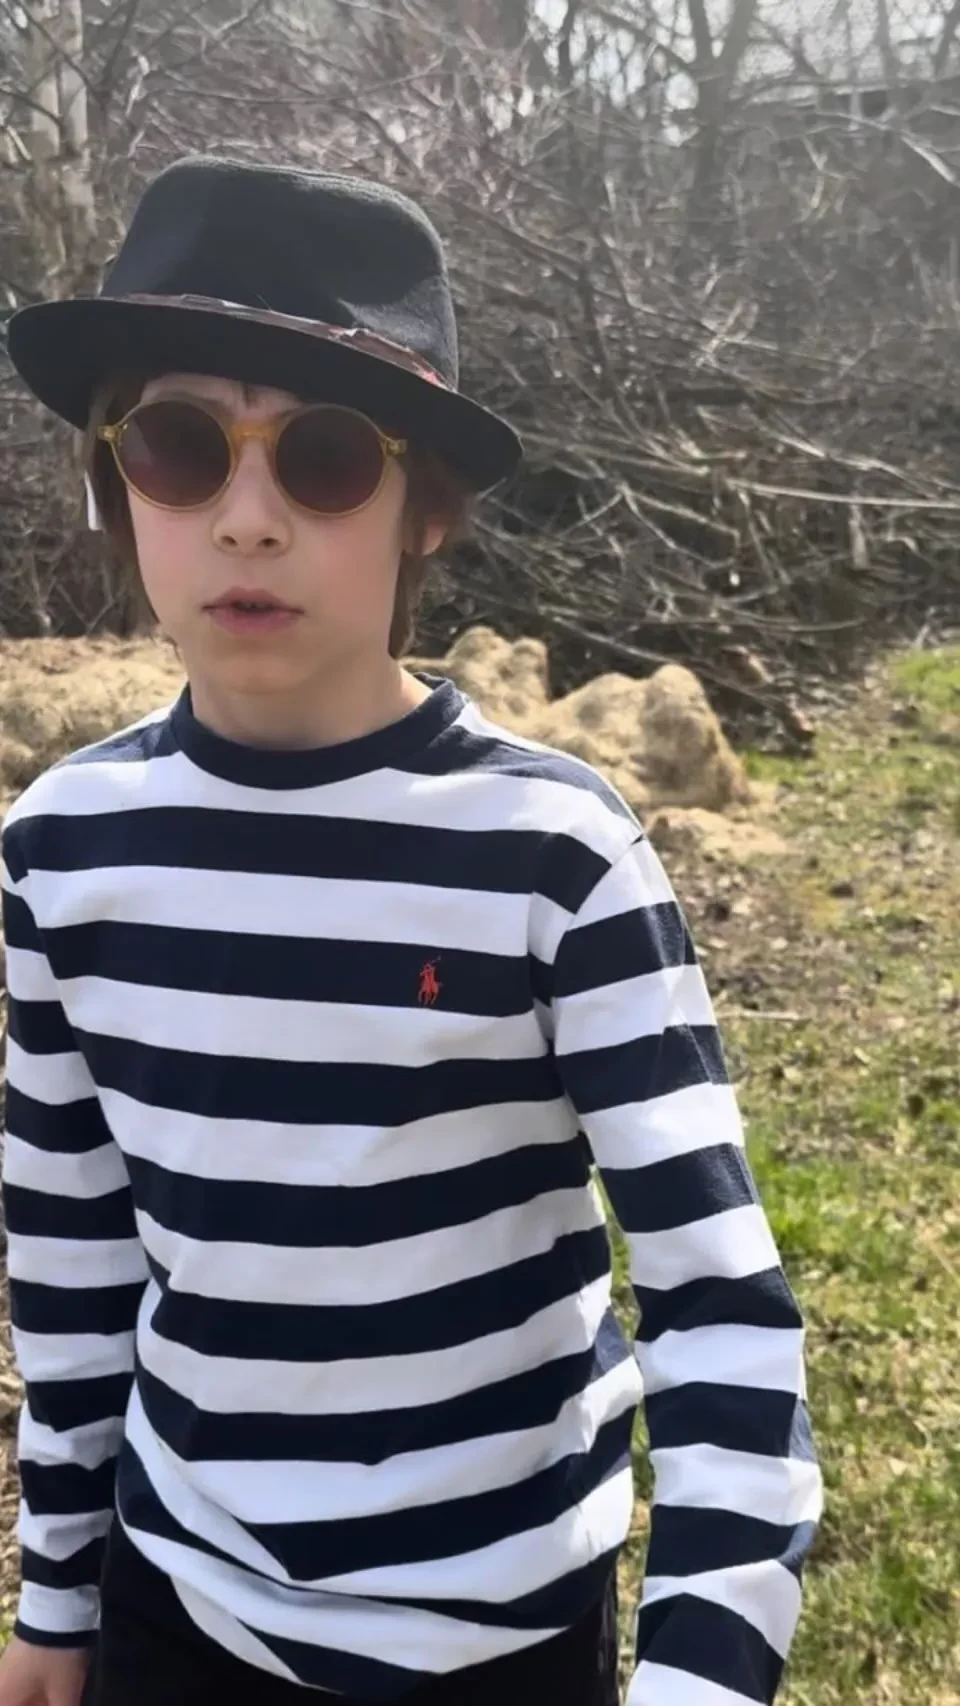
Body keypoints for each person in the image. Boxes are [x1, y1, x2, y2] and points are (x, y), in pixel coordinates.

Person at [0, 155, 822, 1706]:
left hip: (497, 1632)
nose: (247, 519)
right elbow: (74, 1262)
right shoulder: (63, 848)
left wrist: (706, 1674)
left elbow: (715, 1299)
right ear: (112, 483)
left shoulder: (555, 855)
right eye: (179, 445)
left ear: (423, 507)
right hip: (177, 1600)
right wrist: (57, 1592)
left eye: (322, 457)